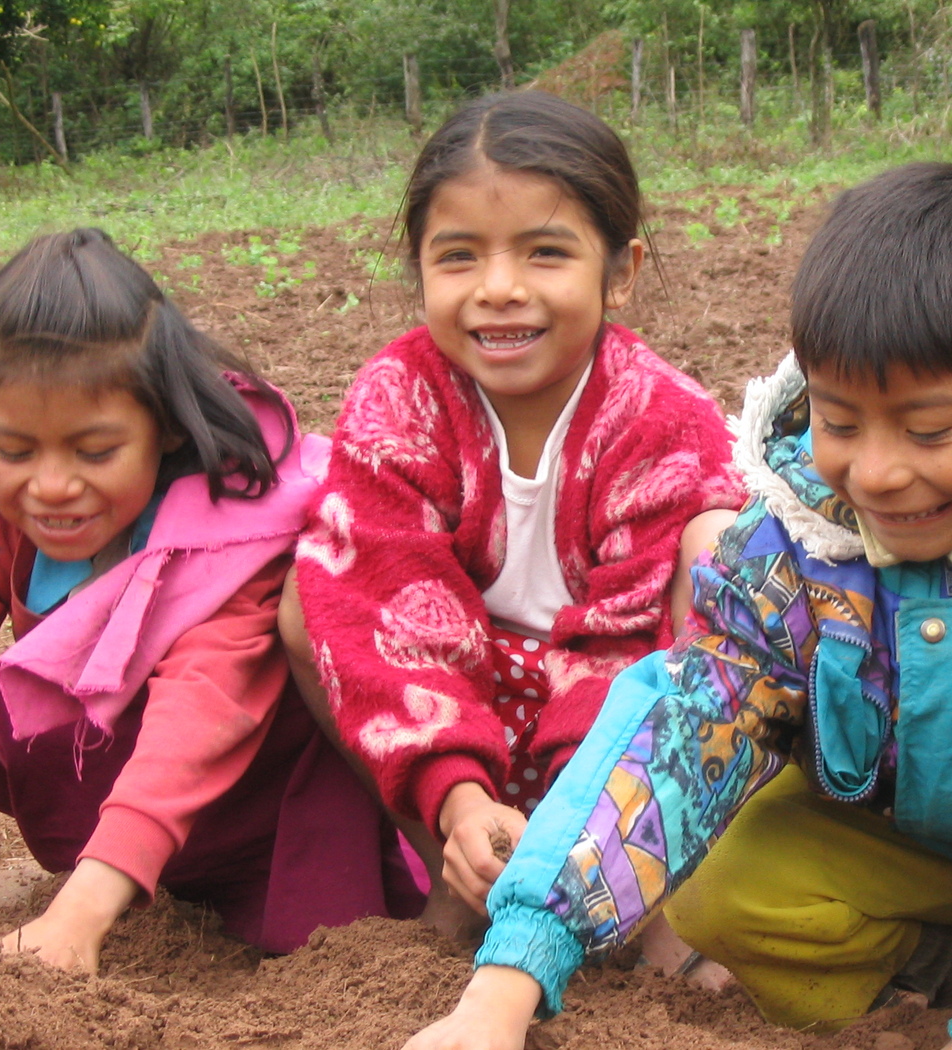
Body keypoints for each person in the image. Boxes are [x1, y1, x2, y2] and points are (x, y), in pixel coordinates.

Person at [401, 162, 952, 1050]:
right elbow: (683, 726)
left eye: (927, 432)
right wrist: (506, 982)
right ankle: (922, 979)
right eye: (840, 423)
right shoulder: (799, 531)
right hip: (916, 842)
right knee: (728, 887)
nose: (874, 473)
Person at [0, 228, 417, 972]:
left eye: (95, 452)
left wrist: (78, 917)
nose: (51, 485)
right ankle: (118, 871)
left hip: (258, 801)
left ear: (164, 426)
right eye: (15, 450)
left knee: (312, 933)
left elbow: (199, 716)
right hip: (112, 804)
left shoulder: (232, 523)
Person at [278, 90, 745, 936]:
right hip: (467, 693)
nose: (499, 289)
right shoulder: (401, 397)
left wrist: (578, 832)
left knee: (718, 558)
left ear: (621, 271)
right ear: (419, 267)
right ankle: (459, 874)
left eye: (544, 253)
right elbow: (386, 597)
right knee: (310, 600)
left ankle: (650, 902)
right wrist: (457, 796)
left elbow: (624, 636)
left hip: (618, 727)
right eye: (458, 256)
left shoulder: (660, 416)